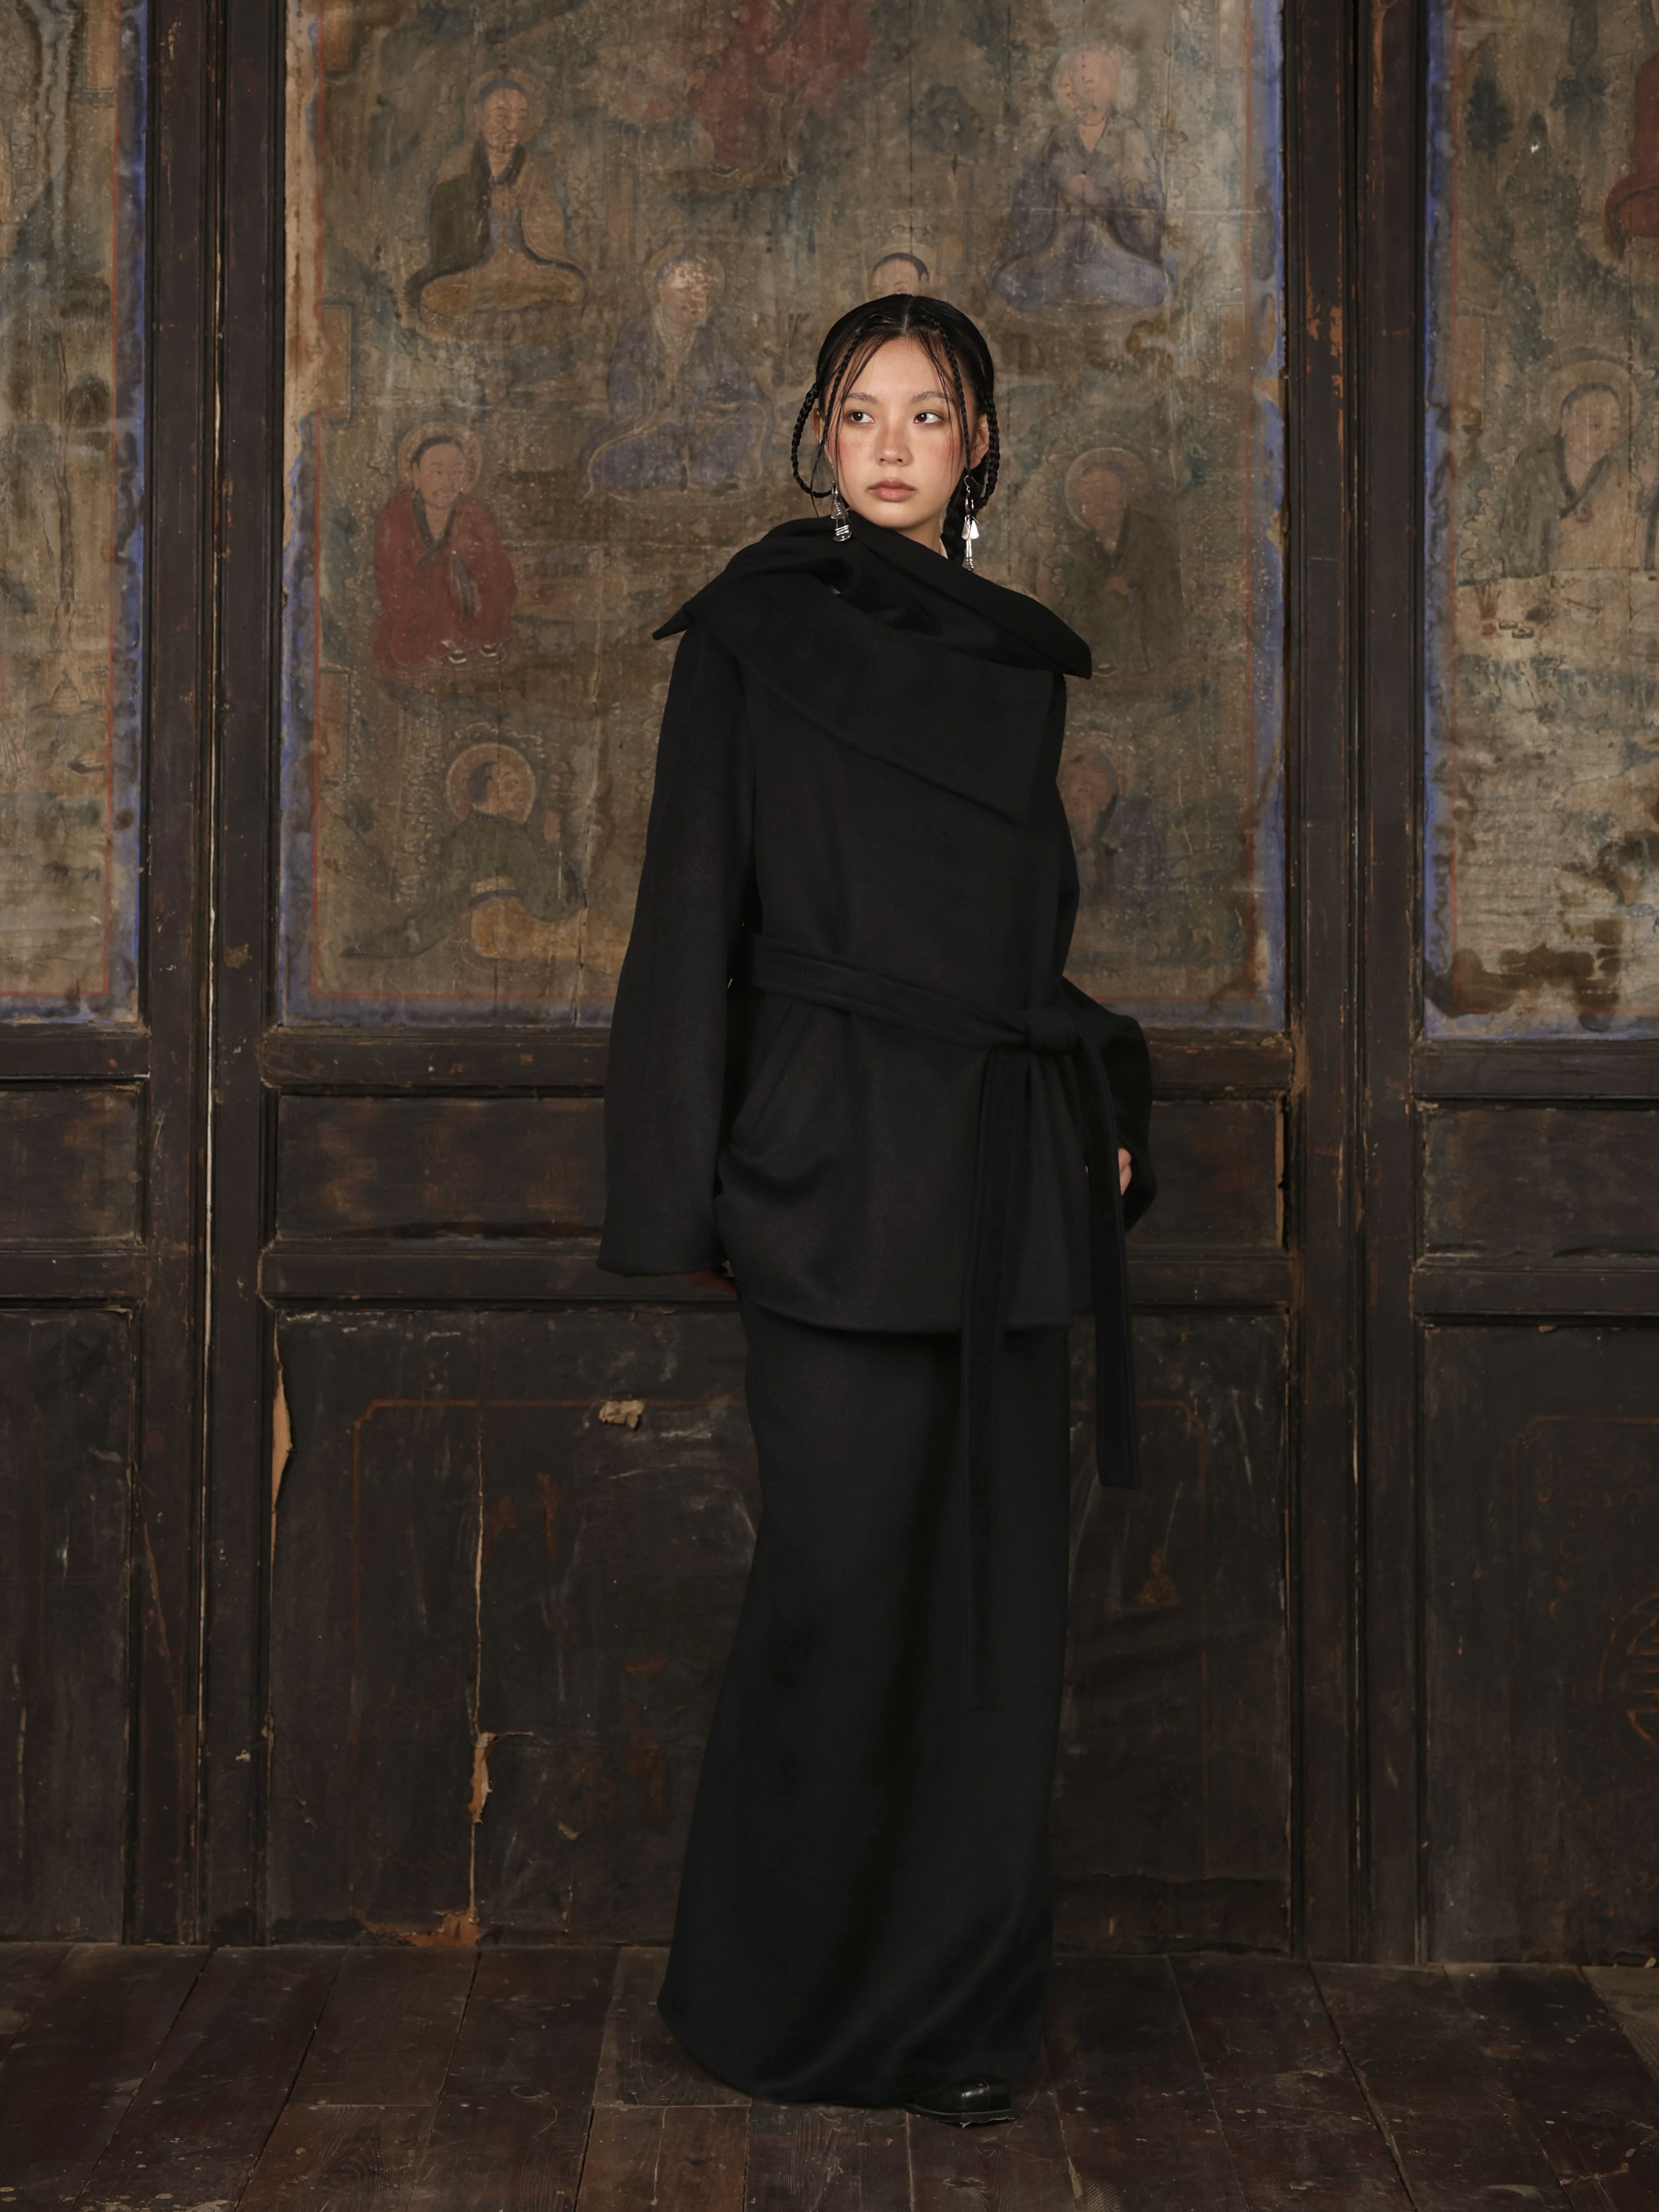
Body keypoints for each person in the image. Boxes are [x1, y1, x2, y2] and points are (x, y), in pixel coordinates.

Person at [599, 294, 1155, 2125]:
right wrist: (675, 1194)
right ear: (819, 439)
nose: (895, 442)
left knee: (991, 1623)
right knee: (836, 1601)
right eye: (862, 411)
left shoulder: (1017, 654)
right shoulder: (750, 632)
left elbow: (1011, 947)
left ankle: (960, 2026)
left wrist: (1098, 1109)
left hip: (1002, 1177)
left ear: (980, 441)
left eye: (929, 411)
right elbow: (690, 912)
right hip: (830, 1169)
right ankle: (776, 2007)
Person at [345, 741, 582, 962]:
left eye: (520, 786)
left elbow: (441, 911)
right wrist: (555, 849)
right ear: (490, 788)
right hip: (511, 935)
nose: (519, 793)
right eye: (511, 785)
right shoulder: (510, 838)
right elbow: (543, 901)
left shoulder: (465, 837)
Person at [992, 43, 1168, 313]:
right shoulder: (1061, 137)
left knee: (1154, 284)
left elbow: (1147, 204)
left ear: (1112, 86)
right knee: (1008, 281)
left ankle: (1092, 285)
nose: (1083, 92)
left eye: (1091, 83)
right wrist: (1056, 196)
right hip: (1061, 252)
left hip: (1113, 252)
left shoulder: (1129, 135)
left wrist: (1103, 199)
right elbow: (1030, 197)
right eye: (1076, 84)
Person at [582, 253, 770, 494]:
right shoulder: (637, 333)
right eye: (685, 289)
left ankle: (700, 477)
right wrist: (662, 386)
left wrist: (712, 411)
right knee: (620, 458)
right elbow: (622, 394)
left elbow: (737, 383)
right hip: (650, 429)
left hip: (700, 434)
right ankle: (683, 477)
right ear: (661, 290)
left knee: (751, 417)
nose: (694, 299)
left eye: (702, 291)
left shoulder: (710, 339)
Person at [373, 431, 516, 677]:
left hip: (471, 615)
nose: (448, 482)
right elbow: (392, 583)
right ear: (416, 474)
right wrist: (438, 579)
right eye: (438, 472)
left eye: (457, 472)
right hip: (419, 616)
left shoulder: (476, 513)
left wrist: (467, 570)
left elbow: (498, 572)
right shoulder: (396, 515)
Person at [1057, 448, 1184, 677]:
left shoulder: (1150, 536)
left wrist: (1130, 592)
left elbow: (1168, 596)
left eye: (1105, 497)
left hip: (1149, 654)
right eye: (1088, 501)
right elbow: (1075, 603)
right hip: (1101, 661)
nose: (1097, 507)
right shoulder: (1084, 550)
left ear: (1124, 498)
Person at [1500, 375, 1642, 576]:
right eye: (1595, 425)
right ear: (1566, 419)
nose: (1605, 439)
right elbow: (1513, 542)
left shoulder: (1619, 480)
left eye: (1613, 428)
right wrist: (1558, 530)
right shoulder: (1534, 466)